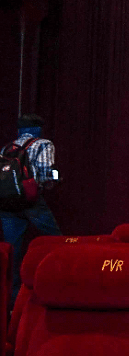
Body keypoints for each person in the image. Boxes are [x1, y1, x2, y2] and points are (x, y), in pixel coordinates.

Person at [2, 113, 61, 300]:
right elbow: (46, 174)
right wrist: (56, 180)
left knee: (13, 251)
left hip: (6, 203)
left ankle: (13, 300)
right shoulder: (43, 144)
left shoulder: (7, 147)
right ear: (38, 128)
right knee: (57, 242)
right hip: (31, 200)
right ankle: (59, 283)